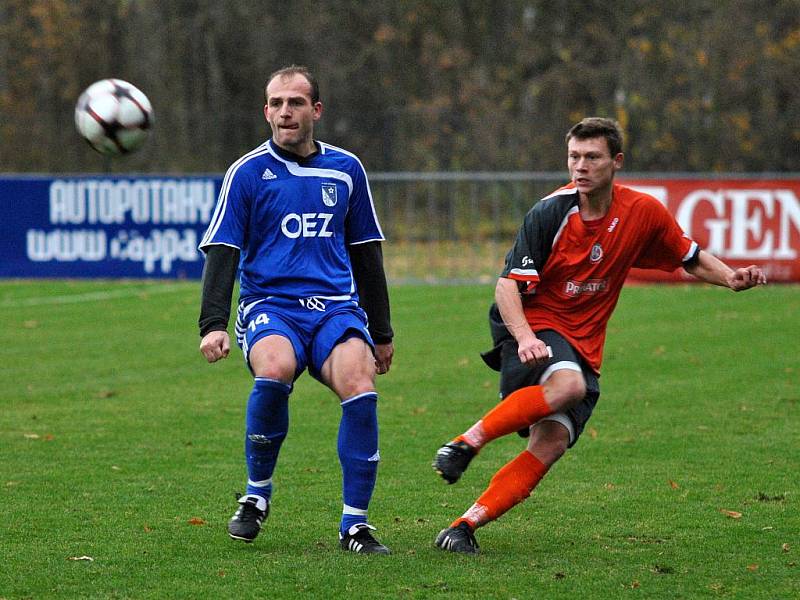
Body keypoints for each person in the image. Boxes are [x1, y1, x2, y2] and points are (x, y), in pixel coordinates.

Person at [431, 117, 767, 554]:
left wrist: (732, 278)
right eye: (574, 156)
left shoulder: (642, 212)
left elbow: (690, 257)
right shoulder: (550, 211)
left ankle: (463, 527)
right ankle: (465, 443)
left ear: (617, 162)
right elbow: (506, 284)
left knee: (549, 444)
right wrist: (527, 337)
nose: (580, 166)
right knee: (567, 386)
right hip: (534, 324)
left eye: (592, 157)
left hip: (585, 345)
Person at [198, 65, 394, 554]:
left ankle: (355, 524)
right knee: (276, 368)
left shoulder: (347, 169)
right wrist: (213, 325)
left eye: (296, 102)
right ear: (266, 111)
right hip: (272, 305)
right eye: (277, 103)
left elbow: (367, 252)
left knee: (359, 383)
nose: (286, 112)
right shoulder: (246, 173)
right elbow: (223, 248)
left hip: (334, 308)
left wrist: (383, 332)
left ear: (316, 110)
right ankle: (256, 496)